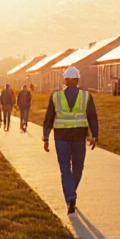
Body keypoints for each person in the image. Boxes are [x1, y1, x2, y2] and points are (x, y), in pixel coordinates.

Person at [42, 66, 99, 215]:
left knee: (65, 169)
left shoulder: (56, 96)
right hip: (79, 137)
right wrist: (95, 135)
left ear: (65, 80)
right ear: (78, 79)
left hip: (61, 137)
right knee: (78, 167)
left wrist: (46, 136)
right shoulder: (86, 96)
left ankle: (70, 197)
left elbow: (49, 117)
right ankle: (71, 193)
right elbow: (93, 116)